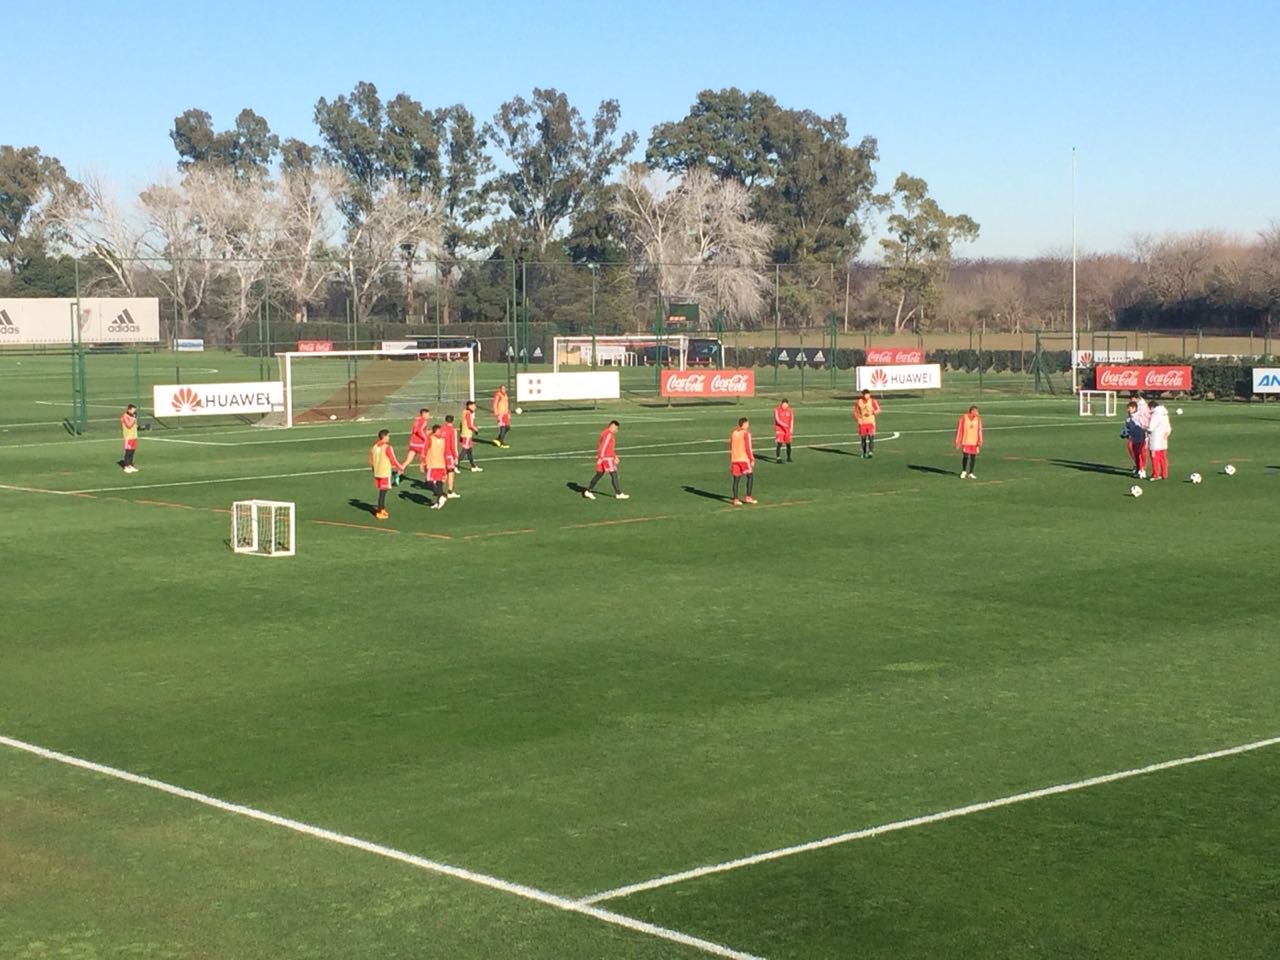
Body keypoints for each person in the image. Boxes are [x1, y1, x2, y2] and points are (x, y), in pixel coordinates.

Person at [583, 420, 628, 500]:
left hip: (605, 457)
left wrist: (615, 456)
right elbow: (603, 446)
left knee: (599, 474)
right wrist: (601, 457)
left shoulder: (605, 433)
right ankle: (618, 493)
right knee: (613, 473)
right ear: (612, 426)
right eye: (616, 428)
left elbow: (608, 447)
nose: (616, 430)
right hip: (607, 458)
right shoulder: (608, 434)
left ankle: (588, 491)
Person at [368, 429, 404, 520]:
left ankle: (382, 509)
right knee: (383, 492)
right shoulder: (387, 447)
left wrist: (373, 469)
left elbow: (371, 460)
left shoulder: (374, 447)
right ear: (384, 437)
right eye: (388, 436)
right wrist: (400, 468)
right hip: (384, 472)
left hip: (377, 472)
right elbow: (393, 459)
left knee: (383, 491)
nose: (389, 437)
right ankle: (379, 511)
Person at [730, 417, 756, 505]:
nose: (748, 425)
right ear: (744, 424)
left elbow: (731, 444)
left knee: (736, 479)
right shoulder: (746, 433)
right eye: (747, 423)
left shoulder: (734, 433)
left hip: (734, 458)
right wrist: (751, 458)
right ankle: (748, 497)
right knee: (750, 476)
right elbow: (748, 447)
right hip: (743, 458)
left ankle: (735, 499)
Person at [423, 424, 449, 509]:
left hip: (434, 465)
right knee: (437, 482)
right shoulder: (433, 439)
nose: (441, 432)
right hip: (438, 464)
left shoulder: (438, 440)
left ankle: (441, 496)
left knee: (430, 482)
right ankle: (438, 502)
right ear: (435, 431)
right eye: (439, 431)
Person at [399, 408, 431, 478]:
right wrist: (425, 437)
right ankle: (428, 478)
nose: (429, 416)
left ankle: (399, 473)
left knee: (408, 460)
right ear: (424, 414)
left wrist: (428, 432)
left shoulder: (417, 420)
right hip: (420, 444)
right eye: (428, 414)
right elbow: (420, 431)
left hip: (413, 443)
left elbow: (416, 430)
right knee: (427, 460)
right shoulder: (424, 421)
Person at [1120, 400, 1148, 478]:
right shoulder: (1128, 418)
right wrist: (1124, 433)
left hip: (1140, 438)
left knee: (1141, 453)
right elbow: (1127, 427)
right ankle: (1138, 466)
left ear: (1134, 408)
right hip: (1132, 438)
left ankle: (1142, 469)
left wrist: (1146, 438)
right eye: (1128, 408)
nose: (1128, 410)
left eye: (1130, 408)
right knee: (1133, 451)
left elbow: (1144, 426)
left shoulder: (1139, 417)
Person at [954, 405, 983, 479]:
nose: (977, 413)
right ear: (972, 411)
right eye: (976, 411)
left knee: (973, 457)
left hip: (974, 441)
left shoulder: (978, 419)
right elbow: (960, 429)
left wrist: (980, 440)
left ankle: (971, 472)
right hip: (966, 440)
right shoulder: (964, 418)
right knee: (965, 456)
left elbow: (979, 430)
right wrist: (957, 441)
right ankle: (964, 471)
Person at [1146, 399, 1171, 481]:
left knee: (1155, 458)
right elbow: (1168, 428)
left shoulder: (1155, 415)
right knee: (1163, 457)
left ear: (1151, 407)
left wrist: (1145, 428)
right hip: (1163, 440)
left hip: (1155, 441)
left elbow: (1151, 427)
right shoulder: (1165, 414)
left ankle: (1156, 474)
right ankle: (1164, 474)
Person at [854, 389, 881, 458]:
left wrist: (873, 412)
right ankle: (864, 452)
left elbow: (878, 409)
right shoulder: (858, 402)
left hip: (871, 422)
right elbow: (856, 412)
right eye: (865, 395)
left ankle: (871, 452)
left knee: (871, 437)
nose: (867, 396)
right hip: (862, 422)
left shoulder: (873, 401)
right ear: (863, 395)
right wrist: (858, 419)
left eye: (868, 394)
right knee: (863, 438)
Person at [441, 414, 461, 498]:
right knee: (451, 472)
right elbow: (453, 445)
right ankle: (449, 491)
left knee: (443, 472)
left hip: (441, 453)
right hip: (449, 454)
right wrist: (456, 456)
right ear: (453, 420)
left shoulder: (441, 428)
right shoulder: (452, 430)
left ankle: (437, 488)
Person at [460, 400, 483, 472]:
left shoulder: (464, 412)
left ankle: (473, 466)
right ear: (469, 406)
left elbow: (462, 423)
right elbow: (470, 425)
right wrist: (475, 430)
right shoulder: (468, 414)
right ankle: (454, 465)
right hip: (467, 435)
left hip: (465, 434)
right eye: (474, 406)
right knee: (464, 451)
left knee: (469, 451)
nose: (475, 407)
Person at [120, 403, 139, 473]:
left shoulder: (133, 416)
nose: (134, 411)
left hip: (134, 436)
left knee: (132, 452)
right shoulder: (125, 416)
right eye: (133, 410)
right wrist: (133, 419)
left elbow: (135, 426)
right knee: (128, 451)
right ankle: (126, 466)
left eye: (134, 410)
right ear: (129, 409)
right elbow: (129, 425)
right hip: (128, 436)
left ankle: (130, 465)